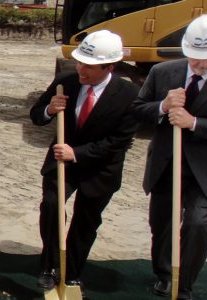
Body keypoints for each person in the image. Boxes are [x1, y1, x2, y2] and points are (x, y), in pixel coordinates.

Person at [29, 30, 139, 292]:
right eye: (80, 63)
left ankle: (73, 271)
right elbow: (36, 115)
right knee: (52, 206)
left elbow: (119, 141)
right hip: (61, 163)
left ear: (109, 66)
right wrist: (49, 110)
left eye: (89, 66)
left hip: (100, 168)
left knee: (86, 220)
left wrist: (77, 153)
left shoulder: (128, 94)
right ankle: (51, 265)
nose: (81, 70)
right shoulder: (65, 82)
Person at [133, 15, 207, 299]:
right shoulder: (163, 73)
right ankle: (166, 274)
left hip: (204, 170)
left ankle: (185, 282)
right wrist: (163, 106)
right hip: (167, 162)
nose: (201, 65)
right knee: (162, 222)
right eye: (195, 58)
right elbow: (138, 109)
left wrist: (193, 123)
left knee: (199, 224)